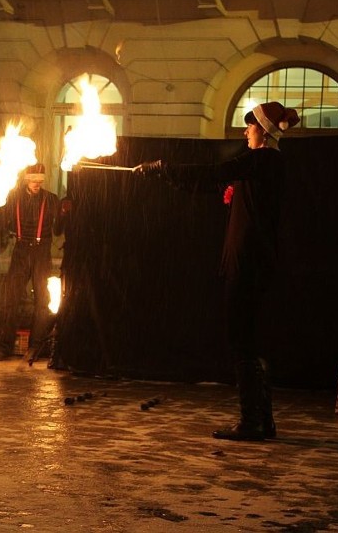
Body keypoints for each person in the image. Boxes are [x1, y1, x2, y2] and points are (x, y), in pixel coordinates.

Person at [134, 101, 300, 441]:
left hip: (250, 262)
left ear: (264, 132)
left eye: (250, 126)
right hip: (250, 261)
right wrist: (164, 175)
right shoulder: (260, 165)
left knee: (242, 340)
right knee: (248, 341)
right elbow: (208, 184)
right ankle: (262, 421)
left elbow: (214, 172)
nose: (245, 131)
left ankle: (253, 421)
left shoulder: (264, 161)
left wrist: (164, 165)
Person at [0, 163, 66, 361]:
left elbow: (58, 231)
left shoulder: (51, 199)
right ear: (26, 179)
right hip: (20, 251)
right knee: (10, 301)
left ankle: (35, 348)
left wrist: (63, 214)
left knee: (42, 303)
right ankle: (5, 347)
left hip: (41, 252)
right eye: (33, 180)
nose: (37, 184)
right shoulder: (14, 198)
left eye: (40, 181)